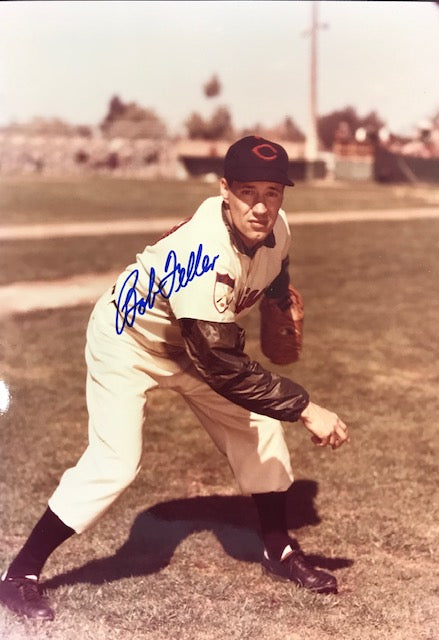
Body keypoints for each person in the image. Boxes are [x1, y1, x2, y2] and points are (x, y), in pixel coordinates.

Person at [0, 136, 349, 621]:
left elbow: (278, 264)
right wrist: (306, 407)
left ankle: (278, 550)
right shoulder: (205, 251)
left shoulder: (277, 226)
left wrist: (276, 298)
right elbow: (223, 367)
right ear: (225, 189)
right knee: (116, 462)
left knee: (259, 429)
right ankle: (20, 574)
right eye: (248, 191)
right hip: (128, 340)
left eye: (273, 192)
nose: (261, 206)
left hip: (190, 344)